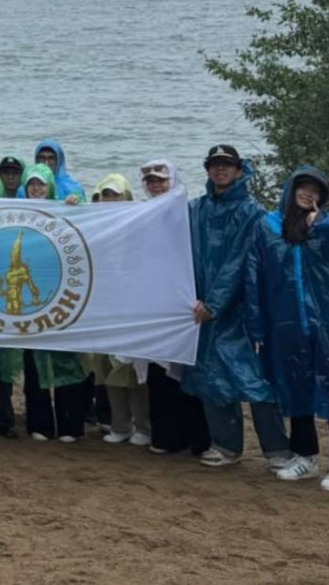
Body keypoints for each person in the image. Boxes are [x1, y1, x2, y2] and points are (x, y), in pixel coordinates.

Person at [246, 166, 329, 492]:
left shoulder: (328, 227)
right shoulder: (268, 227)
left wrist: (326, 226)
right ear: (291, 189)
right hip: (286, 325)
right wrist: (256, 327)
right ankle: (305, 457)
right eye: (303, 187)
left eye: (315, 190)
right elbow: (254, 277)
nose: (308, 194)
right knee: (295, 389)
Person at [185, 145, 290, 468]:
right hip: (201, 308)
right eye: (215, 165)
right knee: (211, 378)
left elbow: (239, 261)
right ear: (207, 170)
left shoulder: (251, 212)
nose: (221, 170)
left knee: (256, 380)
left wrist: (215, 302)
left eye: (227, 165)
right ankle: (226, 446)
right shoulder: (196, 209)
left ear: (239, 170)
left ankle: (277, 449)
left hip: (242, 310)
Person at [139, 159, 211, 455]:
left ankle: (198, 439)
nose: (156, 186)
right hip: (154, 303)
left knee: (186, 372)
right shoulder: (140, 215)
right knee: (158, 371)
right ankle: (166, 437)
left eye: (161, 180)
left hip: (184, 304)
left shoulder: (189, 213)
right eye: (151, 181)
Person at [19, 165, 91, 442]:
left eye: (41, 184)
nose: (36, 189)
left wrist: (77, 204)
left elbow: (88, 227)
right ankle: (39, 424)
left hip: (62, 295)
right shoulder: (18, 214)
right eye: (32, 184)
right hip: (30, 298)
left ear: (50, 185)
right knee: (34, 363)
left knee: (66, 359)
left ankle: (70, 425)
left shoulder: (65, 210)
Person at [84, 174, 152, 446]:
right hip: (103, 306)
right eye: (105, 195)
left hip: (131, 306)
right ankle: (120, 424)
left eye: (116, 194)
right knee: (107, 368)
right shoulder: (93, 226)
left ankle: (143, 427)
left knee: (133, 370)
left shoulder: (138, 224)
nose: (111, 200)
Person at [33, 138, 86, 204]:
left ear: (59, 160)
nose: (46, 162)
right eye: (42, 158)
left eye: (51, 158)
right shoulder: (27, 188)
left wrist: (74, 201)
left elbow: (82, 205)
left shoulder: (72, 188)